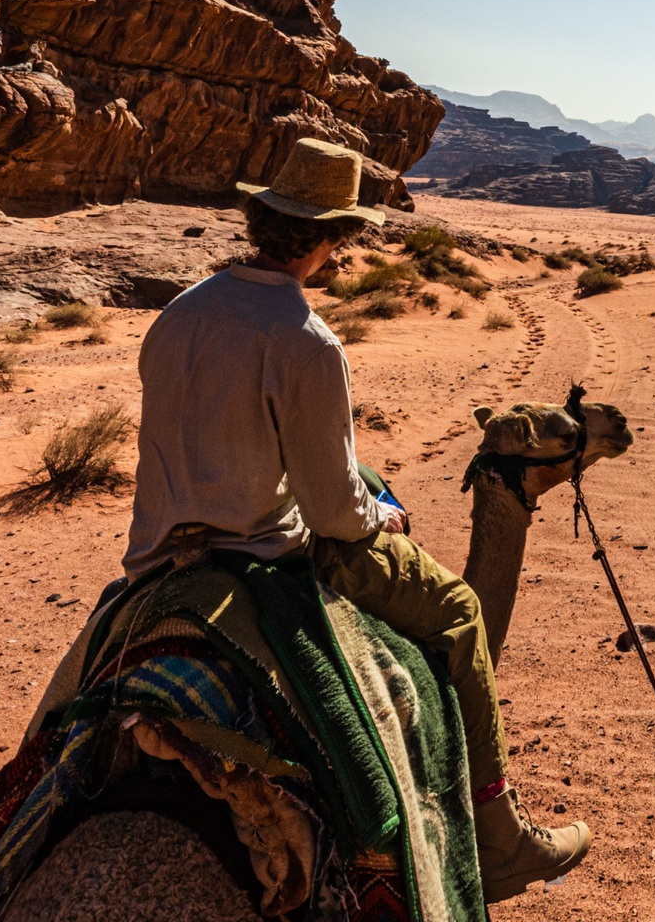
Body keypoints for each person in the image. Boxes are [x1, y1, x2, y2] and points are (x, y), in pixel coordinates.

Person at [122, 134, 590, 898]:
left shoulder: (178, 314)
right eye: (343, 238)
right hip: (266, 557)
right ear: (333, 240)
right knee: (461, 611)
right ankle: (500, 837)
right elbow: (335, 512)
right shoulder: (306, 341)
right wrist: (382, 515)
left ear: (261, 220)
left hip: (155, 558)